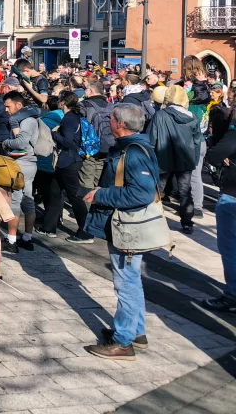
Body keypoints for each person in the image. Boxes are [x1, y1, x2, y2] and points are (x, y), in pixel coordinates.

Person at [82, 103, 159, 360]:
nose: (109, 122)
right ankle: (136, 331)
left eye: (111, 119)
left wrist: (101, 194)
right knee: (131, 280)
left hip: (128, 227)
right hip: (123, 223)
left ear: (121, 125)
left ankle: (123, 342)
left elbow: (141, 192)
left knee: (125, 283)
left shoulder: (134, 152)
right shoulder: (129, 147)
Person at [38, 91, 94, 243]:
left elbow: (69, 143)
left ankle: (85, 231)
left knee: (74, 195)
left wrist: (54, 133)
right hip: (68, 161)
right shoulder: (76, 117)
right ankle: (48, 227)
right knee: (55, 191)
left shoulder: (69, 120)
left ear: (63, 103)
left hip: (68, 161)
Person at [149, 84, 204, 234]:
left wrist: (149, 157)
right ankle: (187, 222)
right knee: (185, 192)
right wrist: (193, 159)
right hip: (185, 158)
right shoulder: (192, 117)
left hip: (162, 156)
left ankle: (151, 219)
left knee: (157, 190)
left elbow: (152, 138)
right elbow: (197, 141)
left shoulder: (160, 115)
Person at [1, 91, 42, 253]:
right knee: (27, 199)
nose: (6, 110)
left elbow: (21, 142)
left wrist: (6, 142)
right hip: (28, 164)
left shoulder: (26, 121)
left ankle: (12, 241)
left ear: (19, 105)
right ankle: (27, 238)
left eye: (8, 106)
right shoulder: (28, 119)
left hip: (22, 164)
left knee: (16, 200)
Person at [203, 109, 236, 312]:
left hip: (232, 193)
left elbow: (215, 156)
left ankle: (232, 295)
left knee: (230, 249)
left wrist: (224, 154)